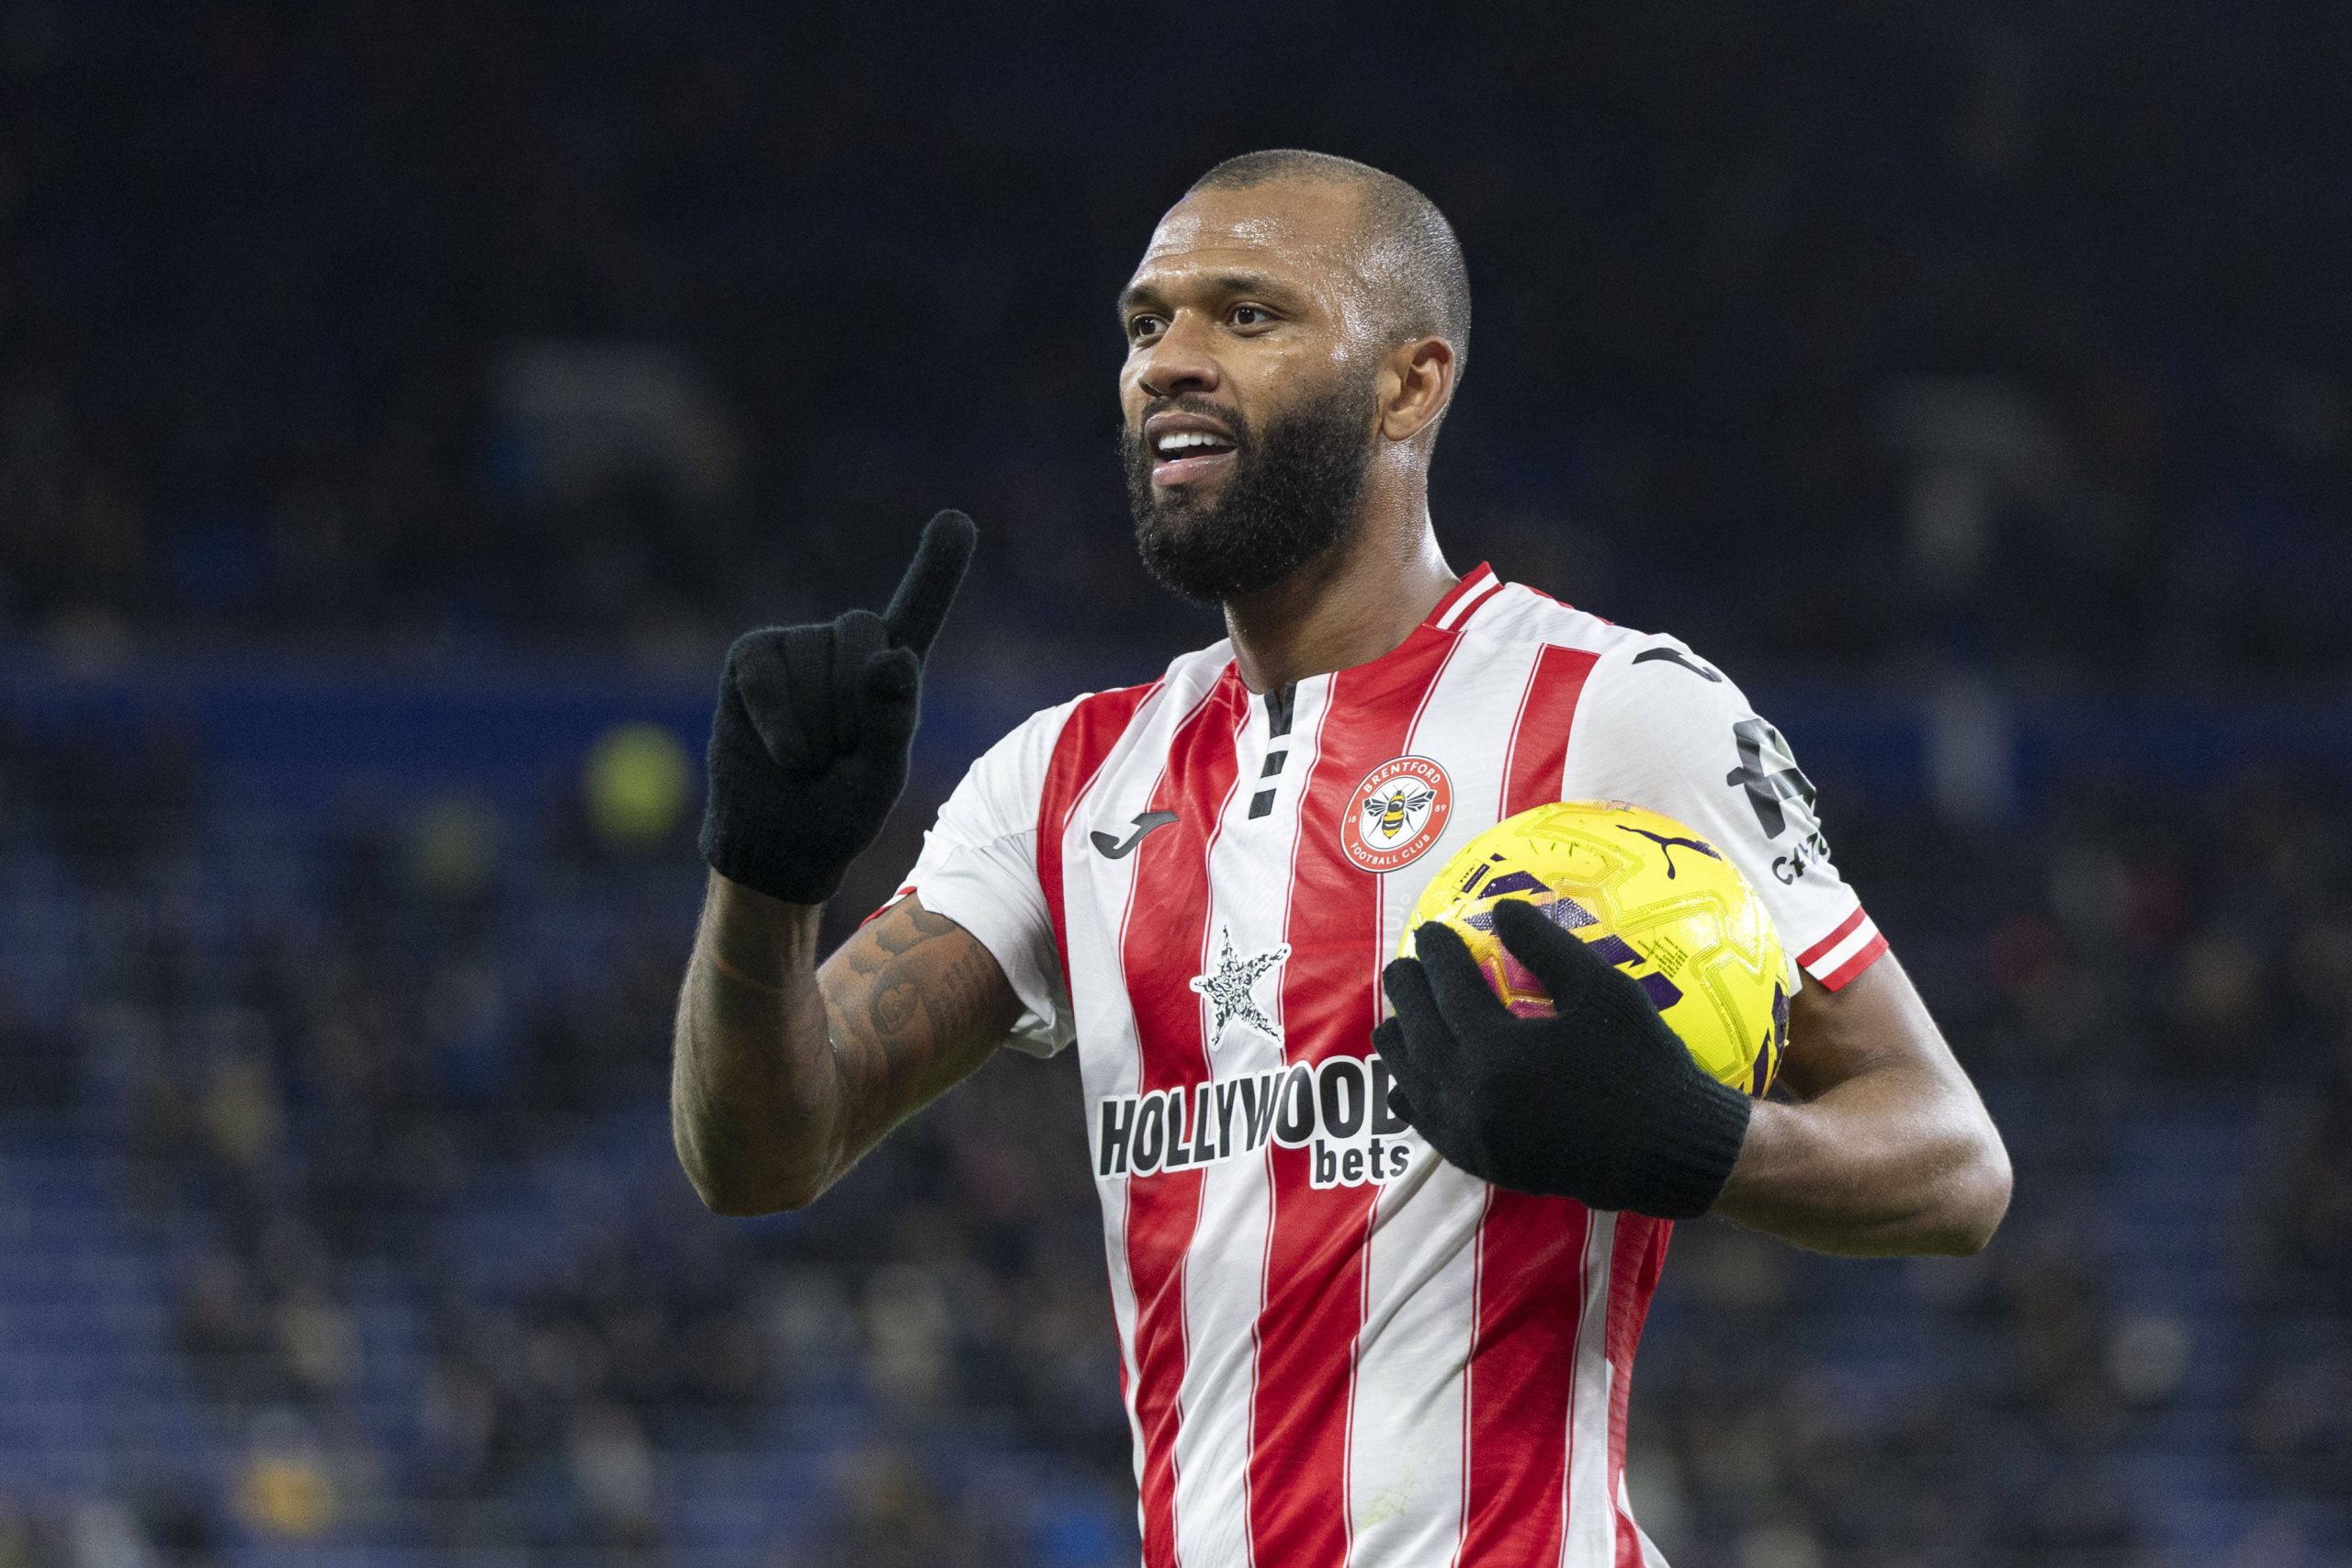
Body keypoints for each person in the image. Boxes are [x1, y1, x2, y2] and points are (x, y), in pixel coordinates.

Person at [672, 150, 2012, 1568]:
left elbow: (1953, 1165)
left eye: (1247, 316)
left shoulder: (1617, 712)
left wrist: (1697, 1144)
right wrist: (765, 880)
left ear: (1409, 385)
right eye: (1145, 325)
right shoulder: (1066, 779)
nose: (1169, 363)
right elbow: (761, 1153)